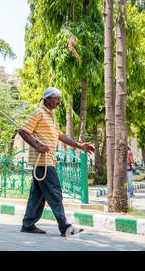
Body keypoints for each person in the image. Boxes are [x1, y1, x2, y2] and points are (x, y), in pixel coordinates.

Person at [19, 87, 95, 237]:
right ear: (47, 98)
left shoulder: (51, 116)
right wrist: (37, 145)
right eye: (56, 99)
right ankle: (65, 227)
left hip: (48, 161)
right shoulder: (38, 113)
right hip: (43, 161)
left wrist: (79, 145)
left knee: (37, 195)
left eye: (59, 99)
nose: (59, 102)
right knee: (55, 193)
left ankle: (28, 224)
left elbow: (60, 135)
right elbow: (23, 131)